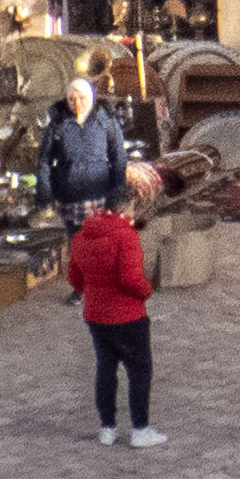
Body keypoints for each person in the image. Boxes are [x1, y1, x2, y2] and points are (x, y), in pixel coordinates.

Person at [67, 191, 161, 447]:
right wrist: (147, 290)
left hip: (96, 315)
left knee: (106, 370)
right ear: (124, 209)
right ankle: (140, 429)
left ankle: (107, 428)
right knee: (139, 371)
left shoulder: (80, 237)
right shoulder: (125, 237)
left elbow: (75, 279)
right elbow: (130, 279)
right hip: (128, 315)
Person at [40, 66, 134, 223]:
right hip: (67, 200)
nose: (76, 104)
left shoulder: (106, 123)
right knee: (73, 244)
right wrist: (45, 192)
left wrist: (117, 191)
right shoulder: (58, 125)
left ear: (90, 98)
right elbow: (45, 160)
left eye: (81, 98)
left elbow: (118, 157)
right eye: (72, 99)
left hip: (99, 199)